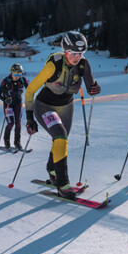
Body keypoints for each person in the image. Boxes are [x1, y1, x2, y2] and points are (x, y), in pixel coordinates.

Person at [24, 31, 101, 198]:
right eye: (73, 53)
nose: (76, 57)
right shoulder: (54, 65)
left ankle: (52, 168)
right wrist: (29, 118)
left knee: (61, 140)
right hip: (45, 106)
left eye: (80, 53)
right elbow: (30, 91)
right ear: (65, 51)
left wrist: (95, 87)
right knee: (60, 137)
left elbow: (91, 84)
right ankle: (62, 184)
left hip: (66, 107)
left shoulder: (83, 65)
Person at [0, 62, 27, 150]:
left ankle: (17, 142)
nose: (17, 76)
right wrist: (5, 99)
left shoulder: (22, 80)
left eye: (19, 74)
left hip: (18, 102)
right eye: (14, 74)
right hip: (8, 104)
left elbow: (29, 89)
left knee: (18, 123)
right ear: (11, 73)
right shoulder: (6, 80)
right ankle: (7, 141)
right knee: (10, 123)